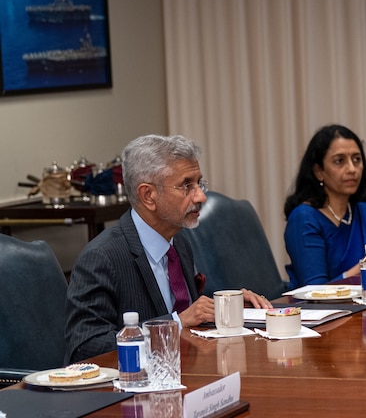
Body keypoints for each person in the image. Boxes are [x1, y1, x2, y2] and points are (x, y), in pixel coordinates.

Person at [65, 135, 272, 363]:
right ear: (148, 196)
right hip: (132, 390)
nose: (201, 196)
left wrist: (226, 307)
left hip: (185, 377)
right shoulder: (102, 258)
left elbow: (189, 315)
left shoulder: (180, 242)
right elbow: (85, 347)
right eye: (186, 186)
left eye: (199, 183)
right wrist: (176, 324)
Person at [283, 124, 366, 288]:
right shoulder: (304, 219)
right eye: (340, 161)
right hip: (321, 312)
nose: (352, 169)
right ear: (319, 171)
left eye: (357, 159)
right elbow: (314, 293)